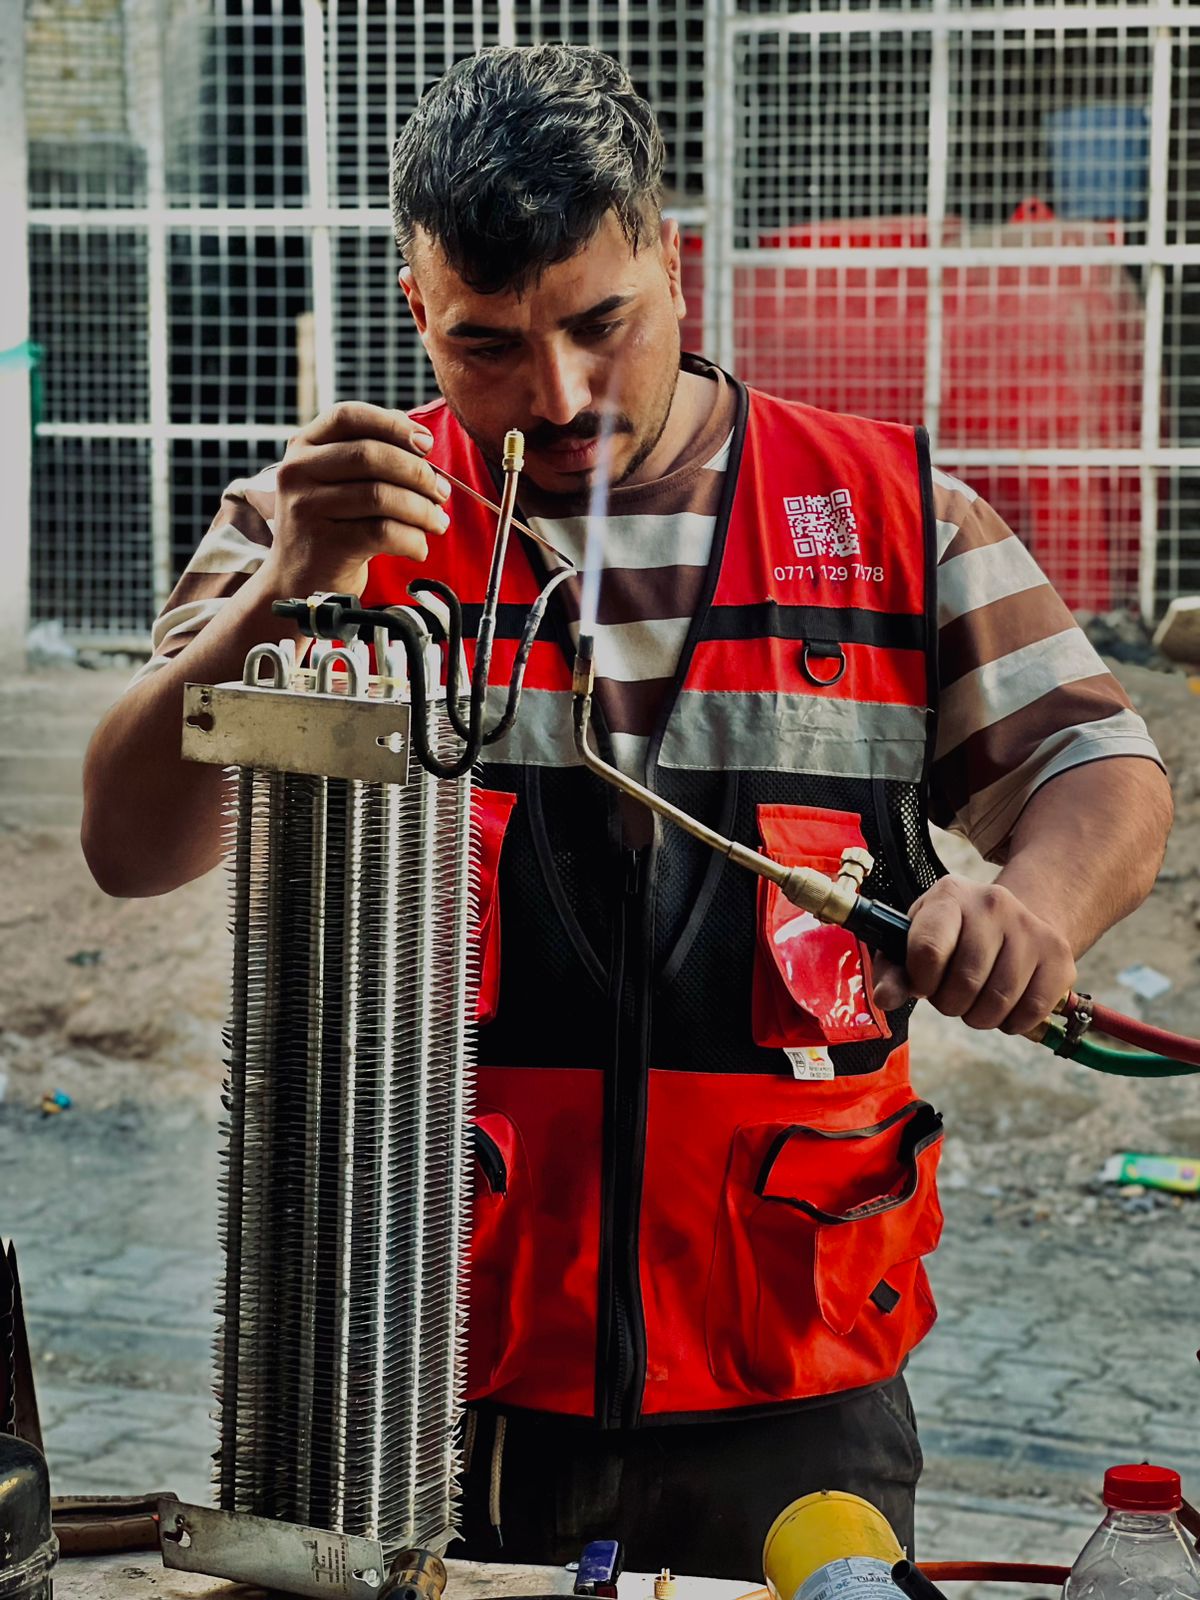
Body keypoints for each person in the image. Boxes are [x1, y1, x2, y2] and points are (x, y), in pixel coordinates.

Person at [82, 43, 1172, 1580]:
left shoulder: (883, 514)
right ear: (416, 312)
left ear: (672, 258)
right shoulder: (321, 524)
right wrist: (279, 595)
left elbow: (1100, 769)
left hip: (795, 1383)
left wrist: (1035, 909)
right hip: (415, 1372)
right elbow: (129, 849)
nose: (562, 394)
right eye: (490, 347)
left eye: (602, 323)